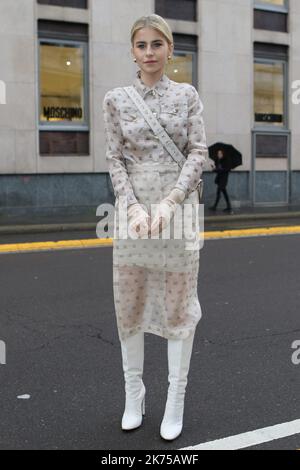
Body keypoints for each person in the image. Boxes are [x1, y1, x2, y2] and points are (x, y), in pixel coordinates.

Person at [102, 14, 208, 441]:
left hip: (179, 215)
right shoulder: (116, 99)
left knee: (178, 307)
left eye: (157, 44)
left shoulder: (186, 96)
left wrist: (168, 204)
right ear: (133, 51)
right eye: (141, 45)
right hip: (133, 218)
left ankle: (175, 399)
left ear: (169, 49)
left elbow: (197, 152)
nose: (149, 53)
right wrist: (131, 207)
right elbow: (115, 158)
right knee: (131, 302)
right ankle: (134, 393)